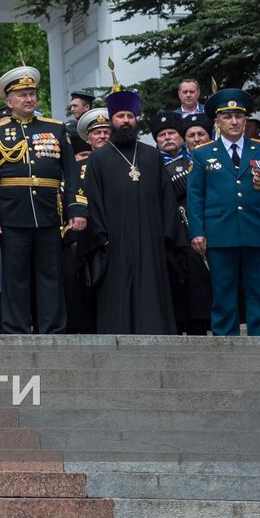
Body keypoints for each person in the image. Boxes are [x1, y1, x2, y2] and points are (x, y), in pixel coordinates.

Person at [0, 66, 86, 334]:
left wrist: (76, 208)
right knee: (15, 277)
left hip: (49, 213)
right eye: (22, 94)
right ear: (9, 101)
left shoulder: (57, 128)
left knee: (50, 275)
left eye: (31, 94)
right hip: (12, 214)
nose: (29, 99)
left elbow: (71, 173)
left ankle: (52, 329)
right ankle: (16, 329)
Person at [187, 88, 260, 336]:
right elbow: (195, 196)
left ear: (246, 120)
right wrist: (197, 231)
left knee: (258, 290)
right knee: (223, 291)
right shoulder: (202, 154)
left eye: (239, 117)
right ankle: (225, 339)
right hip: (219, 232)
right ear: (217, 121)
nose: (234, 122)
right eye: (228, 117)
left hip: (257, 230)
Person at [82, 87, 177, 335]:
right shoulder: (99, 159)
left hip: (150, 240)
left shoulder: (152, 156)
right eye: (120, 116)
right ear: (112, 120)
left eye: (130, 116)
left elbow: (166, 199)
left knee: (152, 293)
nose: (126, 121)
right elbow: (93, 200)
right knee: (117, 293)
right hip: (114, 241)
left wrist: (166, 234)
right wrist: (101, 235)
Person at [152, 111, 212, 335]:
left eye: (172, 133)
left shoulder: (194, 161)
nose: (167, 138)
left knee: (201, 287)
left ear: (181, 137)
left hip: (197, 230)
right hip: (168, 234)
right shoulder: (151, 163)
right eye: (162, 135)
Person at [62, 108, 110, 334]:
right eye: (97, 132)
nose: (102, 136)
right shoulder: (79, 169)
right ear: (88, 138)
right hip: (86, 241)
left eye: (106, 131)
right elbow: (67, 201)